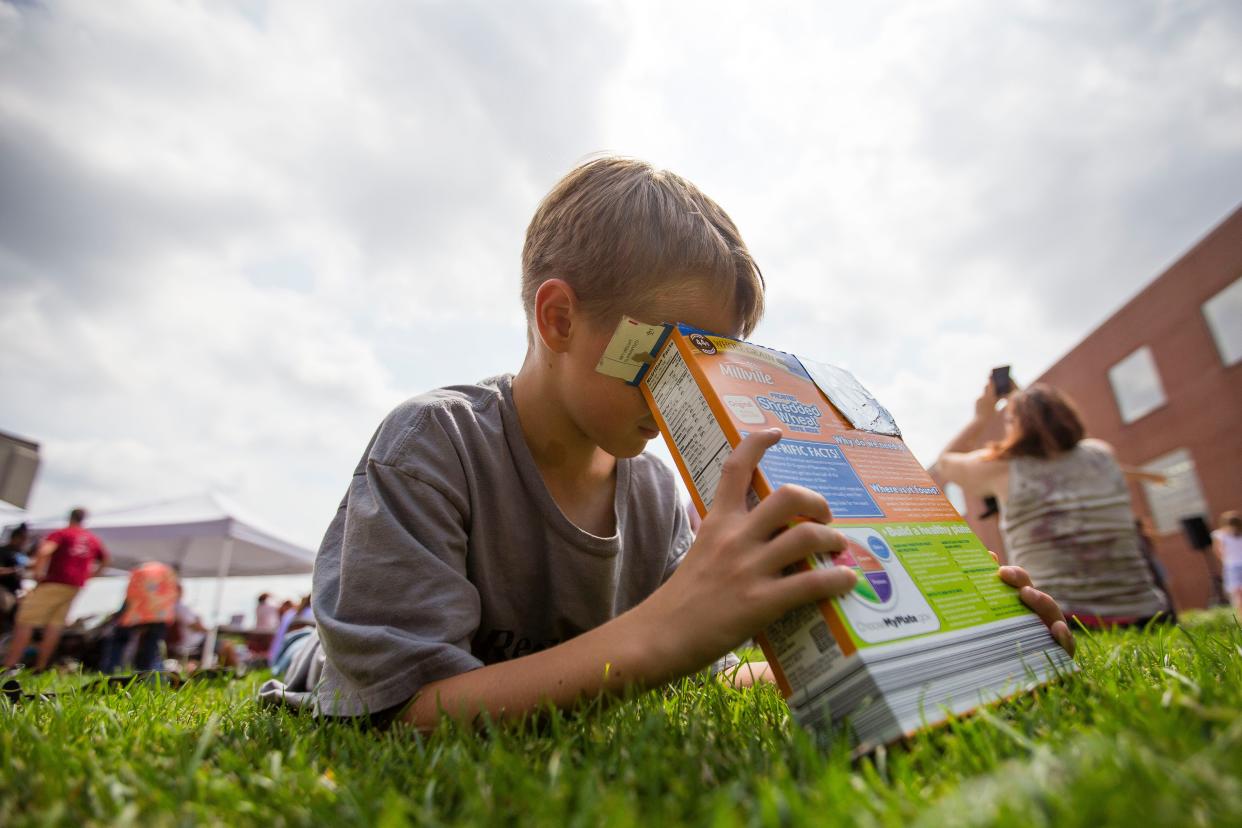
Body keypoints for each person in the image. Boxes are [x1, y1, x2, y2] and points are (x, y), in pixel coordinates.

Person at [261, 157, 1072, 729]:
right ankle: (299, 642)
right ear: (559, 319)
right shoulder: (432, 443)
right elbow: (404, 712)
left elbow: (706, 671)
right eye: (669, 358)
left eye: (712, 365)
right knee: (311, 655)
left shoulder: (652, 492)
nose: (694, 397)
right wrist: (665, 630)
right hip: (338, 662)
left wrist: (946, 643)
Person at [934, 380, 1169, 629]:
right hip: (1148, 616)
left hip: (1062, 619)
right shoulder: (1101, 454)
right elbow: (1058, 442)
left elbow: (945, 463)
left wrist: (981, 417)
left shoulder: (1003, 466)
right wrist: (1027, 400)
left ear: (1016, 425)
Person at [4, 507, 109, 671]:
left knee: (25, 620)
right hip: (74, 586)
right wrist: (90, 575)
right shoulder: (92, 539)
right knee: (55, 624)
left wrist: (38, 572)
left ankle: (9, 665)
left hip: (54, 581)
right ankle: (41, 666)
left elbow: (45, 550)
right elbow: (105, 560)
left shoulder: (63, 533)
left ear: (70, 518)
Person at [101, 561, 179, 672]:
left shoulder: (140, 571)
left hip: (136, 612)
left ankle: (111, 668)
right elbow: (174, 595)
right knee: (153, 645)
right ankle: (150, 672)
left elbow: (130, 594)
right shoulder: (168, 573)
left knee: (120, 640)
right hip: (160, 614)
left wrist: (121, 614)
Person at [0, 523, 30, 633]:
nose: (24, 542)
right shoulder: (3, 551)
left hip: (16, 591)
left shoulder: (21, 554)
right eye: (22, 539)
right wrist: (13, 571)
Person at [1212, 511, 1242, 619]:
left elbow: (1218, 550)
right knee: (1237, 594)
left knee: (1238, 593)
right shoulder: (1221, 535)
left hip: (1235, 565)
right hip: (1232, 566)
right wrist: (1225, 560)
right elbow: (1218, 550)